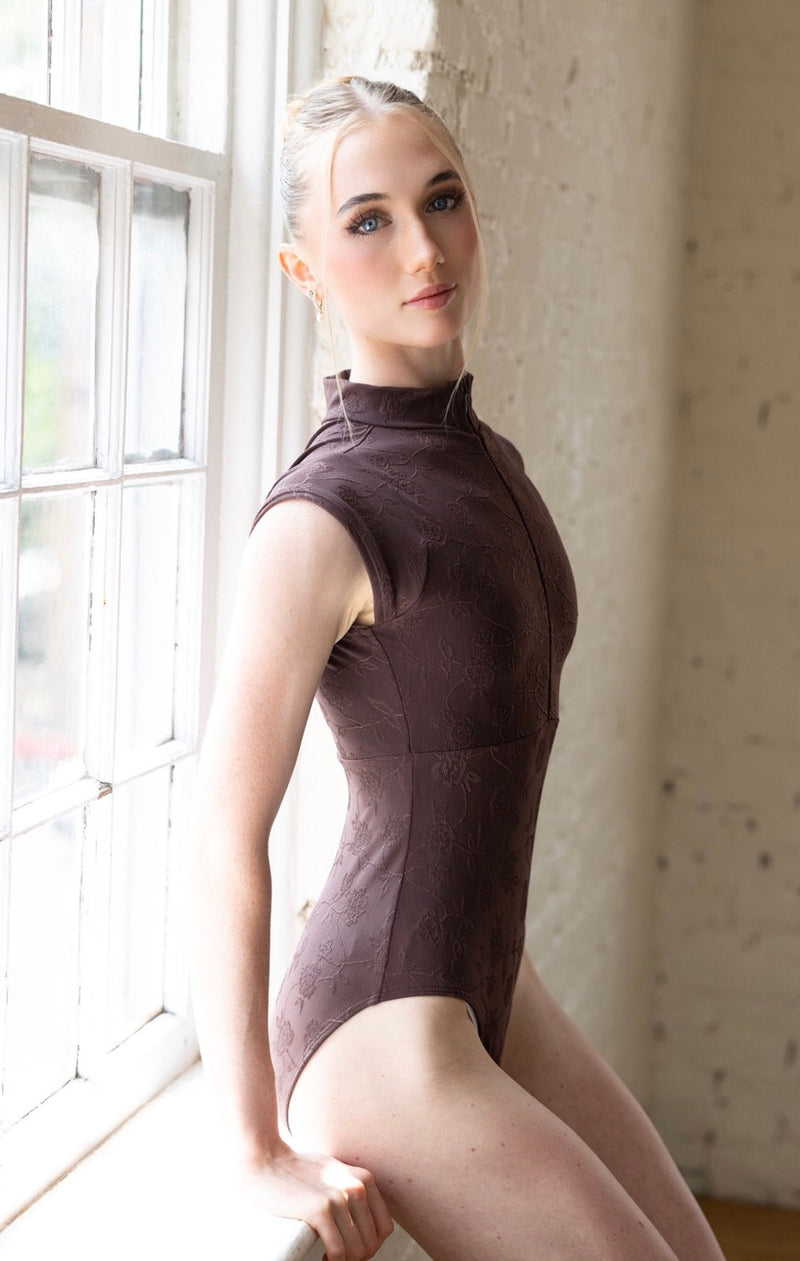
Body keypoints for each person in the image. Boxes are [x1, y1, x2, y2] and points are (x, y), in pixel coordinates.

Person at [188, 75, 726, 1261]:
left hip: (488, 980)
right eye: (367, 220)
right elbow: (223, 833)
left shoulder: (485, 459)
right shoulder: (320, 517)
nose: (422, 248)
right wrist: (253, 1147)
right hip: (379, 1024)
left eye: (441, 200)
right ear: (303, 268)